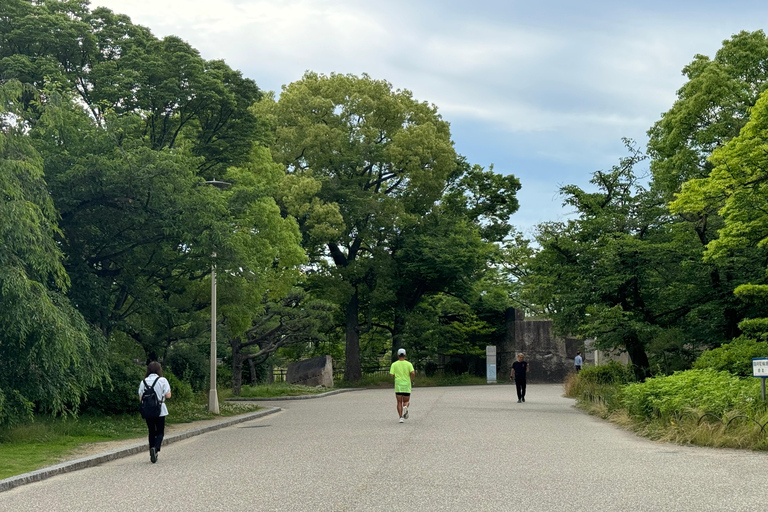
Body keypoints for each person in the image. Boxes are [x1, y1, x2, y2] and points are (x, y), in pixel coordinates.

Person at [139, 361, 172, 463]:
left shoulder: (143, 381)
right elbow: (168, 395)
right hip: (160, 409)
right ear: (159, 370)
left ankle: (151, 448)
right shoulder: (162, 380)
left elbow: (140, 398)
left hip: (148, 410)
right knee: (160, 431)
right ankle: (156, 448)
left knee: (151, 431)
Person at [389, 348, 415, 423]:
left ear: (398, 355)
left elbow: (391, 374)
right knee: (406, 401)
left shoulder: (394, 364)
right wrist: (411, 380)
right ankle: (406, 406)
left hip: (398, 385)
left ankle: (400, 417)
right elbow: (413, 373)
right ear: (405, 355)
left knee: (399, 402)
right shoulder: (408, 364)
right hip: (406, 384)